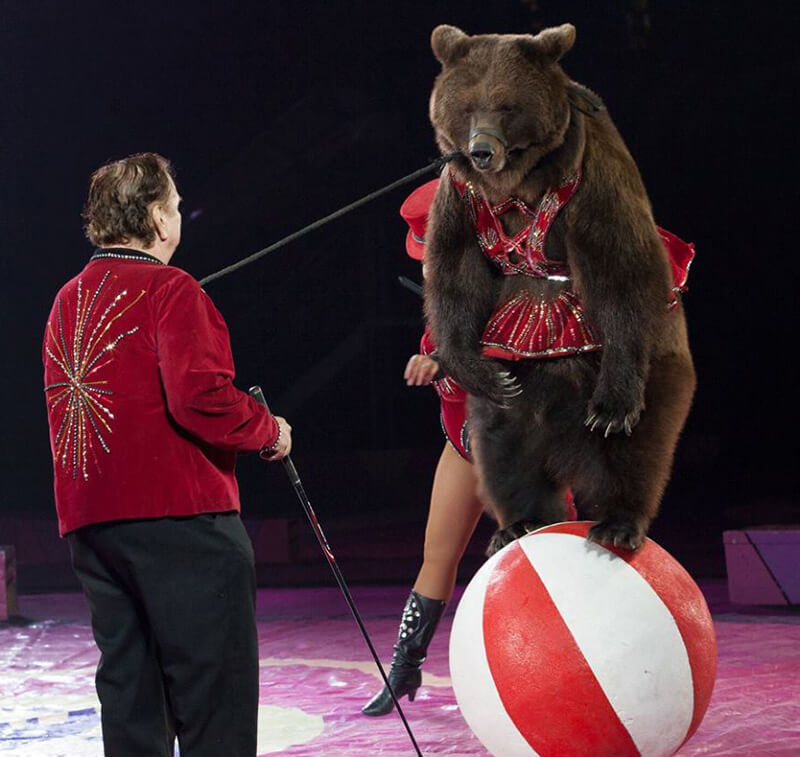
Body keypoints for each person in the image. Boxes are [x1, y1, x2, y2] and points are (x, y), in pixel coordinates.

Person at [42, 152, 291, 756]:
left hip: (93, 525)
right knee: (215, 705)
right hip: (182, 523)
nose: (179, 215)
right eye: (175, 205)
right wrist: (268, 429)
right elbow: (200, 398)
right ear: (157, 218)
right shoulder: (172, 289)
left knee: (132, 699)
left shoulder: (65, 300)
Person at [361, 179, 577, 716]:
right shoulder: (448, 302)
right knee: (436, 556)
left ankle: (572, 672)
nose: (427, 269)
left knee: (552, 570)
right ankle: (404, 671)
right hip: (464, 448)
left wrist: (449, 363)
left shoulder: (518, 294)